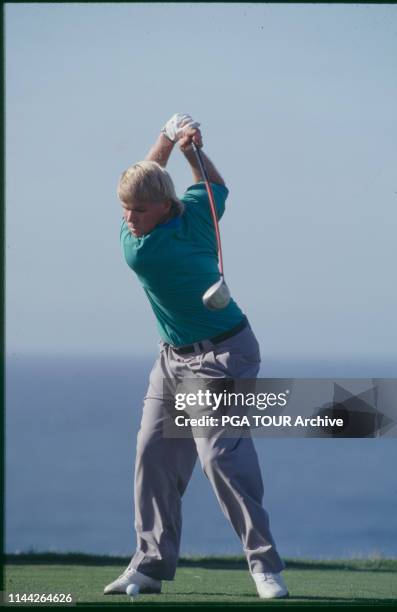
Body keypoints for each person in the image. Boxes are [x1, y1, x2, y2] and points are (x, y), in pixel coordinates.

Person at [104, 114, 289, 600]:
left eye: (139, 210)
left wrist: (179, 147)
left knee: (219, 457)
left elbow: (206, 184)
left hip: (225, 357)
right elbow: (207, 185)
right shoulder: (148, 240)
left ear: (164, 207)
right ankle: (148, 567)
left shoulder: (167, 228)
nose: (129, 220)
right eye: (125, 209)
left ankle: (264, 567)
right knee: (152, 453)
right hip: (173, 362)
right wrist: (179, 146)